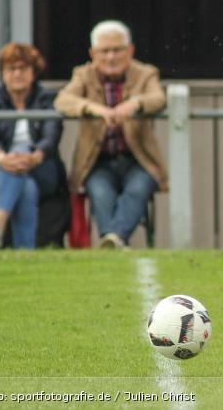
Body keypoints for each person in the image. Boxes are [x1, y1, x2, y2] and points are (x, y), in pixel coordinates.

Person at [54, 20, 167, 248]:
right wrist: (94, 109)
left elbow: (158, 98)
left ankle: (113, 239)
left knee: (137, 190)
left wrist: (135, 104)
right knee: (100, 193)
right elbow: (63, 100)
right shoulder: (83, 75)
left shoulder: (145, 74)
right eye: (104, 51)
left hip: (139, 160)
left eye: (117, 50)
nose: (111, 57)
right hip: (98, 161)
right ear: (93, 53)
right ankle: (114, 240)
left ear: (130, 51)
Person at [0, 44, 64, 249]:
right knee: (26, 188)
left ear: (33, 72)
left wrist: (34, 157)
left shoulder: (46, 97)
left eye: (23, 69)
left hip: (42, 167)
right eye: (11, 69)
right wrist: (1, 158)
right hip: (1, 167)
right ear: (3, 73)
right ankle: (25, 253)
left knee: (22, 156)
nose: (17, 74)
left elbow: (52, 135)